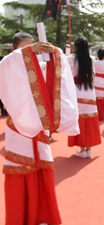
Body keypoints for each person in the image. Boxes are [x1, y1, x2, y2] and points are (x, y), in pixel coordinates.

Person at [0, 32, 79, 224]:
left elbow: (55, 73)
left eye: (33, 49)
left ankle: (43, 215)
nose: (30, 53)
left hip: (39, 126)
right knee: (21, 172)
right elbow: (4, 67)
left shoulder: (39, 67)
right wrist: (29, 51)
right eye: (23, 49)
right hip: (17, 127)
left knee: (42, 169)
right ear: (14, 50)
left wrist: (55, 53)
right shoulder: (7, 65)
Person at [67, 37, 101, 158]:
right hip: (89, 91)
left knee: (80, 119)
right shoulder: (92, 59)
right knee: (89, 119)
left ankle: (82, 149)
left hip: (77, 91)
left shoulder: (71, 59)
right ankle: (88, 149)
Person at [94, 48, 104, 120]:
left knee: (97, 97)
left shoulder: (96, 62)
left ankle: (98, 114)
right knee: (103, 97)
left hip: (96, 80)